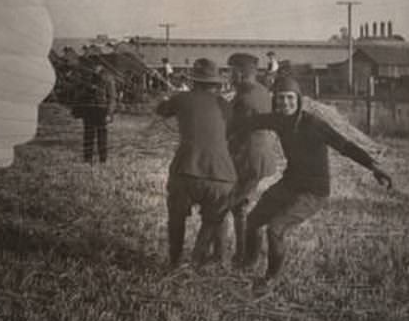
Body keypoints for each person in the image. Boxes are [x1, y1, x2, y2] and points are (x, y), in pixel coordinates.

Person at [232, 76, 393, 290]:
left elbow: (345, 145)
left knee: (276, 228)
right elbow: (250, 122)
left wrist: (373, 166)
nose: (285, 103)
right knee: (252, 221)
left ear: (298, 100)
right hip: (289, 183)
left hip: (314, 191)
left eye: (290, 98)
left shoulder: (314, 124)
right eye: (280, 99)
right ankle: (248, 263)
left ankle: (271, 278)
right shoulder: (278, 119)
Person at [155, 58, 237, 268]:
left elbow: (161, 110)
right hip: (222, 175)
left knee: (176, 216)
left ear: (193, 81)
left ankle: (174, 260)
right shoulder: (226, 106)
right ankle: (216, 259)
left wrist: (166, 98)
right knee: (217, 219)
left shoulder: (182, 99)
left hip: (186, 171)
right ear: (216, 83)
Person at [220, 53, 278, 265]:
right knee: (240, 206)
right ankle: (244, 255)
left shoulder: (244, 98)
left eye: (230, 70)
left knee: (239, 206)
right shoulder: (261, 91)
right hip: (258, 157)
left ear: (240, 73)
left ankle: (245, 257)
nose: (228, 75)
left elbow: (231, 130)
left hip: (247, 158)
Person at [72, 58, 117, 164]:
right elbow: (80, 93)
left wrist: (109, 113)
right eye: (92, 65)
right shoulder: (88, 77)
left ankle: (103, 159)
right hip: (89, 109)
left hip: (102, 110)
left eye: (96, 65)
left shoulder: (108, 78)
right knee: (88, 135)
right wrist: (88, 88)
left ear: (101, 66)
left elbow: (112, 97)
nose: (94, 67)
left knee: (102, 136)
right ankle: (87, 159)